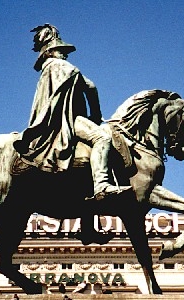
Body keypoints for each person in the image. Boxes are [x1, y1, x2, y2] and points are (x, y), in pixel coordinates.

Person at [13, 24, 130, 201]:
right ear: (50, 52)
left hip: (53, 121)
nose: (65, 54)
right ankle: (101, 184)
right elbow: (91, 87)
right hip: (68, 120)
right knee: (103, 138)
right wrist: (96, 116)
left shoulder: (47, 70)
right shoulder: (62, 66)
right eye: (61, 50)